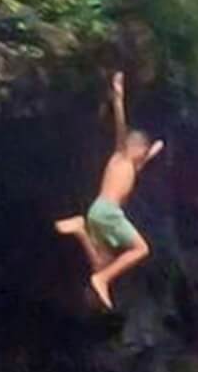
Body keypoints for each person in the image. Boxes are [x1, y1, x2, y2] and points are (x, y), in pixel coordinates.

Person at [54, 71, 164, 309]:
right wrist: (118, 98)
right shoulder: (121, 155)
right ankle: (102, 279)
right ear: (133, 148)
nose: (143, 156)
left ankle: (81, 231)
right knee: (141, 249)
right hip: (107, 213)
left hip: (98, 214)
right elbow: (121, 128)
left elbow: (143, 162)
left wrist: (154, 150)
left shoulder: (131, 166)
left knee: (102, 263)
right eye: (142, 151)